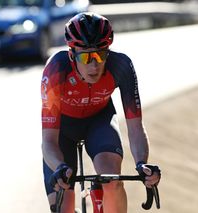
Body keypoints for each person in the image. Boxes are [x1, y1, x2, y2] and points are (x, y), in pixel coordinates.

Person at [41, 12, 161, 213]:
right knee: (63, 205)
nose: (94, 65)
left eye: (101, 54)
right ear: (72, 54)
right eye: (86, 56)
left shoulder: (121, 66)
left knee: (112, 180)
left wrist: (142, 164)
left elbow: (135, 127)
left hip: (99, 121)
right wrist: (60, 166)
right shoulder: (56, 70)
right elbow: (49, 140)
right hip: (63, 130)